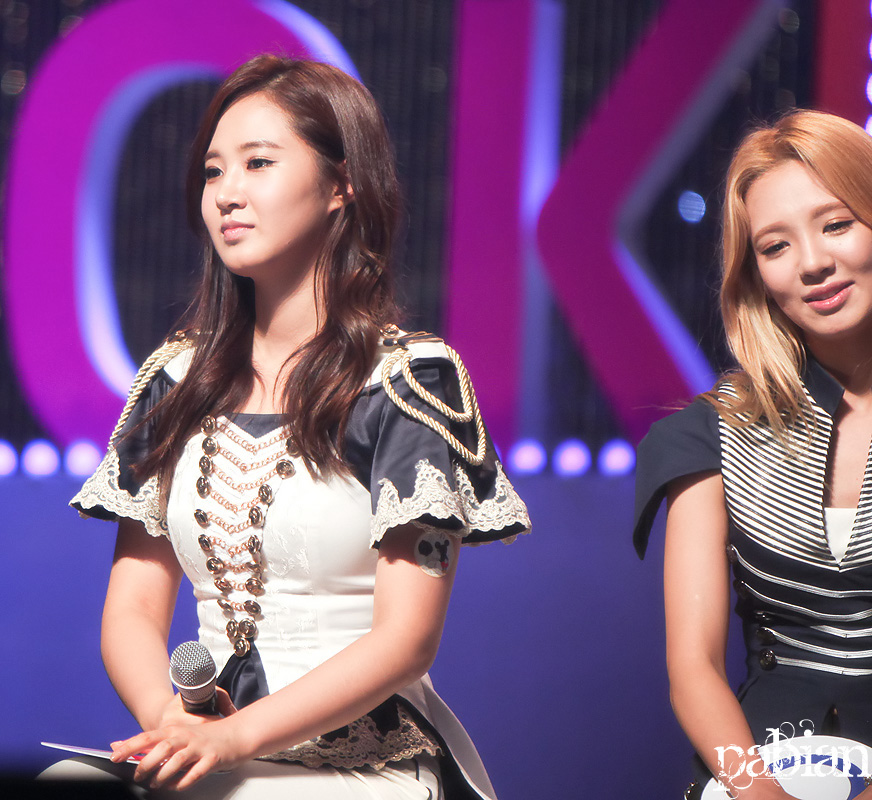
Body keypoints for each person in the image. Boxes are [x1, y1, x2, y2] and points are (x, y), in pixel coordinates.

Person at [48, 54, 530, 799]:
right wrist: (169, 724)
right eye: (213, 171)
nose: (226, 193)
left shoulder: (408, 381)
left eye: (258, 163)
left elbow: (406, 641)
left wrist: (235, 737)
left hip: (362, 763)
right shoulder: (175, 380)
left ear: (342, 185)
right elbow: (133, 608)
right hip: (209, 753)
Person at [634, 109, 872, 800]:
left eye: (836, 224)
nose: (813, 262)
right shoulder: (710, 435)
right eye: (775, 245)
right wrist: (758, 792)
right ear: (755, 273)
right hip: (758, 774)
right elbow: (694, 669)